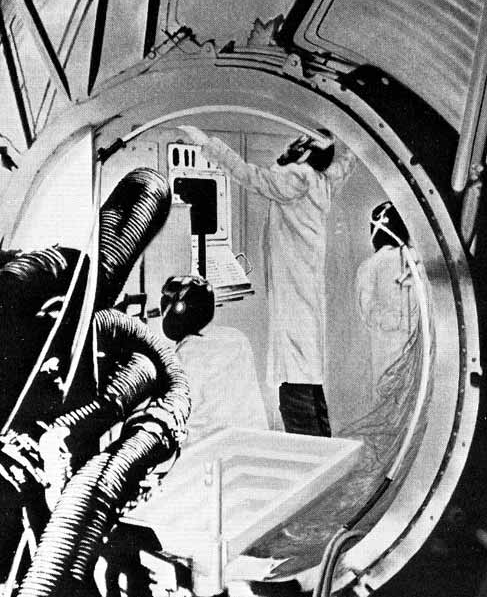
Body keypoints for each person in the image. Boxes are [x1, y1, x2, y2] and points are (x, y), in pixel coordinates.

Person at [178, 124, 357, 437]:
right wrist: (354, 142)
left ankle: (307, 450)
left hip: (293, 296)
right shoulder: (322, 182)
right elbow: (343, 166)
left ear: (307, 152)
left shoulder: (296, 178)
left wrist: (207, 143)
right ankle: (322, 448)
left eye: (303, 140)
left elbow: (249, 176)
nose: (295, 142)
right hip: (305, 293)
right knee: (308, 380)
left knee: (294, 385)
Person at [160, 274, 268, 443]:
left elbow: (179, 416)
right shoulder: (237, 338)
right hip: (253, 442)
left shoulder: (186, 355)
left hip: (208, 448)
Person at [355, 201, 420, 393]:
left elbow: (368, 311)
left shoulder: (368, 267)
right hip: (399, 348)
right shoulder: (415, 259)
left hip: (391, 349)